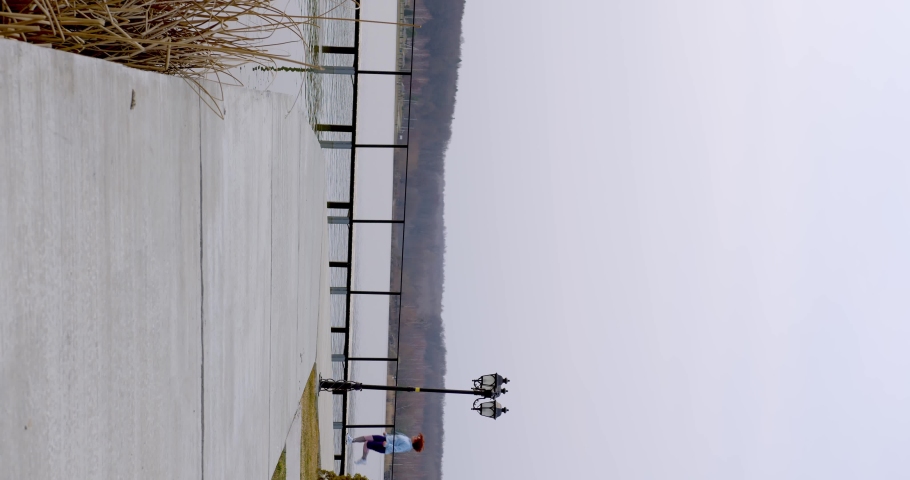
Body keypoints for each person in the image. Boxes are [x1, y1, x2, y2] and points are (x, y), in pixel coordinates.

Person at [346, 431, 424, 465]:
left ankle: (363, 459)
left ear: (415, 441)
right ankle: (352, 440)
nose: (415, 436)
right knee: (368, 437)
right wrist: (387, 435)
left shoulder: (407, 445)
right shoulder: (408, 440)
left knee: (367, 444)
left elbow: (396, 449)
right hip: (385, 439)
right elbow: (395, 439)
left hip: (385, 447)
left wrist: (387, 445)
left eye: (417, 437)